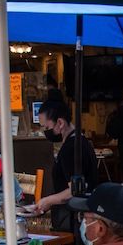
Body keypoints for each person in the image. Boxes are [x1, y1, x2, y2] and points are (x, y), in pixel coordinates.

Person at [34, 99, 98, 232]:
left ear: (60, 122)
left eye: (46, 127)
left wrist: (48, 200)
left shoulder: (71, 149)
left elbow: (74, 190)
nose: (46, 132)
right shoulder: (82, 142)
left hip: (71, 218)